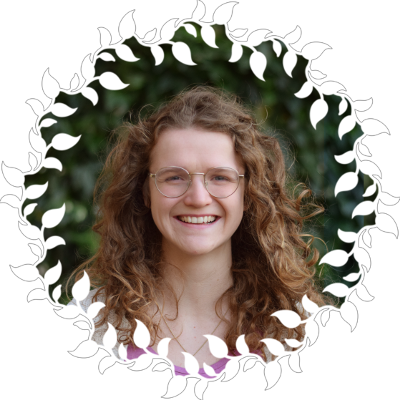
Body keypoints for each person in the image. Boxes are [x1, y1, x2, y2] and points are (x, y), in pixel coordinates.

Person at [67, 85, 328, 378]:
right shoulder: (89, 322)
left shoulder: (297, 329)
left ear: (248, 193)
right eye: (174, 177)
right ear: (145, 192)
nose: (198, 198)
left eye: (220, 177)